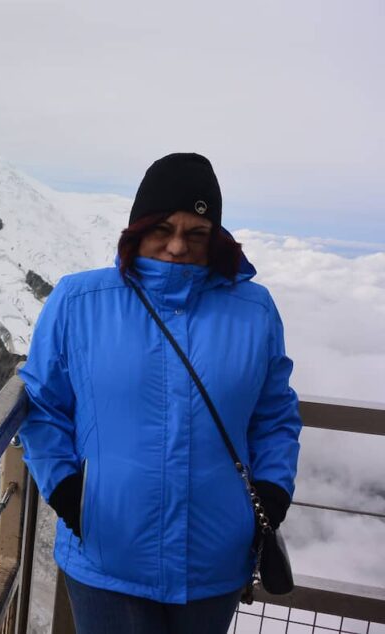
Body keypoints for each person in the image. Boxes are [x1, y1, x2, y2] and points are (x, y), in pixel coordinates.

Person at [18, 153, 301, 634]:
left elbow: (274, 416)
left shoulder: (254, 311)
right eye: (163, 229)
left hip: (214, 560)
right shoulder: (79, 302)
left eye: (196, 234)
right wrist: (69, 493)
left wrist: (272, 493)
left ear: (215, 239)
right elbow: (43, 408)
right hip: (107, 555)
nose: (176, 247)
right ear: (136, 229)